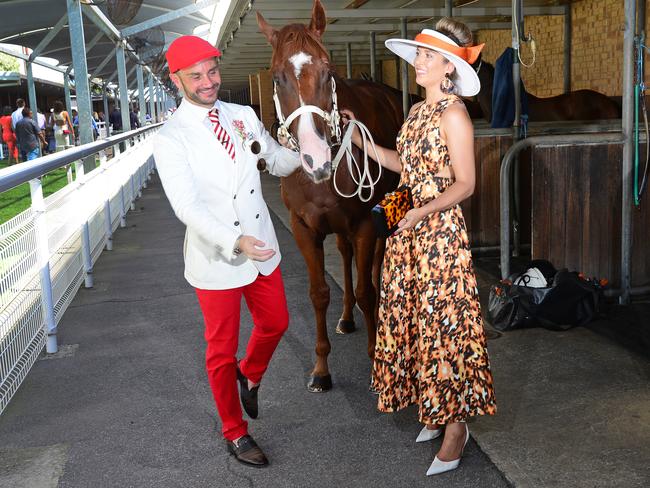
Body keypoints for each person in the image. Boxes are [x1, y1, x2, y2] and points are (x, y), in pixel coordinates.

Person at [342, 18, 496, 477]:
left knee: (444, 330)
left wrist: (422, 212)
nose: (418, 62)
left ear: (448, 67)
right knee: (418, 325)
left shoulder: (454, 114)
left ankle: (457, 426)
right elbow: (403, 166)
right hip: (410, 230)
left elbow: (466, 183)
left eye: (427, 56)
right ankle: (436, 408)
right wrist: (361, 141)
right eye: (419, 55)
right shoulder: (415, 113)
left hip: (438, 235)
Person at [153, 35, 301, 468]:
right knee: (220, 349)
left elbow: (274, 160)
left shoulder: (242, 115)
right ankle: (235, 432)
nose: (207, 82)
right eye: (195, 76)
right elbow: (187, 207)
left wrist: (311, 148)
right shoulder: (172, 138)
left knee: (276, 322)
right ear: (176, 79)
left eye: (212, 71)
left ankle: (249, 374)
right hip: (219, 255)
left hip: (261, 246)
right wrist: (233, 240)